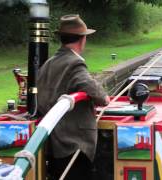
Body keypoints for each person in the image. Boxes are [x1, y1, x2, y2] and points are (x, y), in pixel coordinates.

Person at [37, 14, 110, 180]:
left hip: (53, 143)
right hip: (74, 143)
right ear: (82, 39)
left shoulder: (48, 63)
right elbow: (93, 89)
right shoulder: (75, 63)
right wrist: (105, 98)